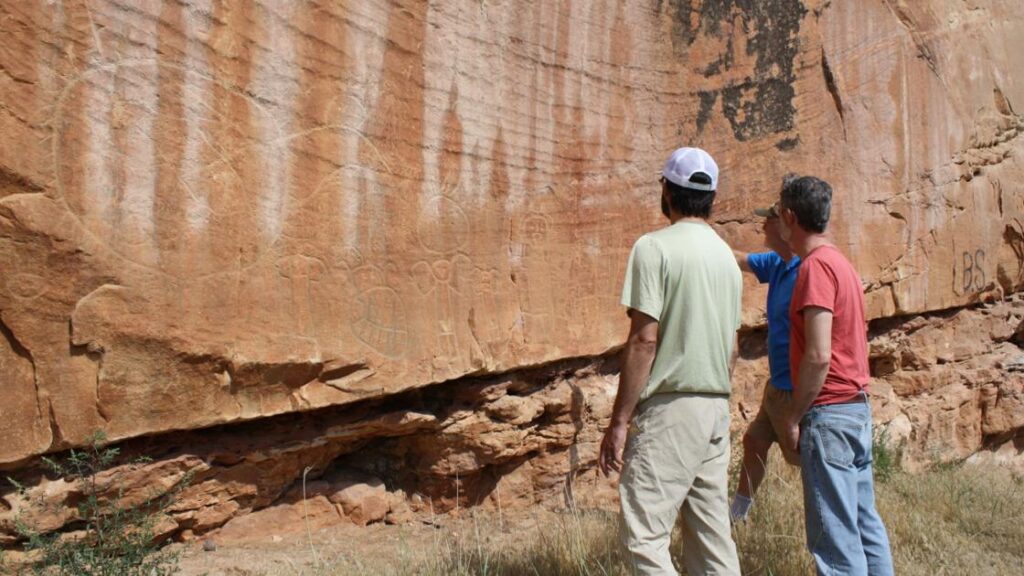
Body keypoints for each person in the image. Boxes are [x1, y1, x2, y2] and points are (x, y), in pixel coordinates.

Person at [598, 147, 742, 575]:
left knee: (644, 538)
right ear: (711, 198)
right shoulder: (726, 258)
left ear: (667, 190)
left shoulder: (653, 248)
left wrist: (619, 421)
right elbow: (732, 347)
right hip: (715, 406)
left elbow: (645, 340)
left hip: (671, 409)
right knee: (712, 541)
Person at [776, 176, 894, 575]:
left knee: (837, 545)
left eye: (778, 214)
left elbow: (818, 354)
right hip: (856, 410)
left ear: (790, 216)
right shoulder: (842, 263)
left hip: (829, 415)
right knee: (865, 526)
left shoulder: (815, 268)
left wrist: (793, 416)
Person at [729, 199, 801, 523]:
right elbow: (738, 259)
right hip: (777, 385)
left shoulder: (804, 271)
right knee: (754, 441)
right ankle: (738, 515)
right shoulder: (776, 263)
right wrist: (697, 230)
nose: (761, 227)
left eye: (767, 221)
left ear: (784, 225)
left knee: (809, 461)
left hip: (796, 391)